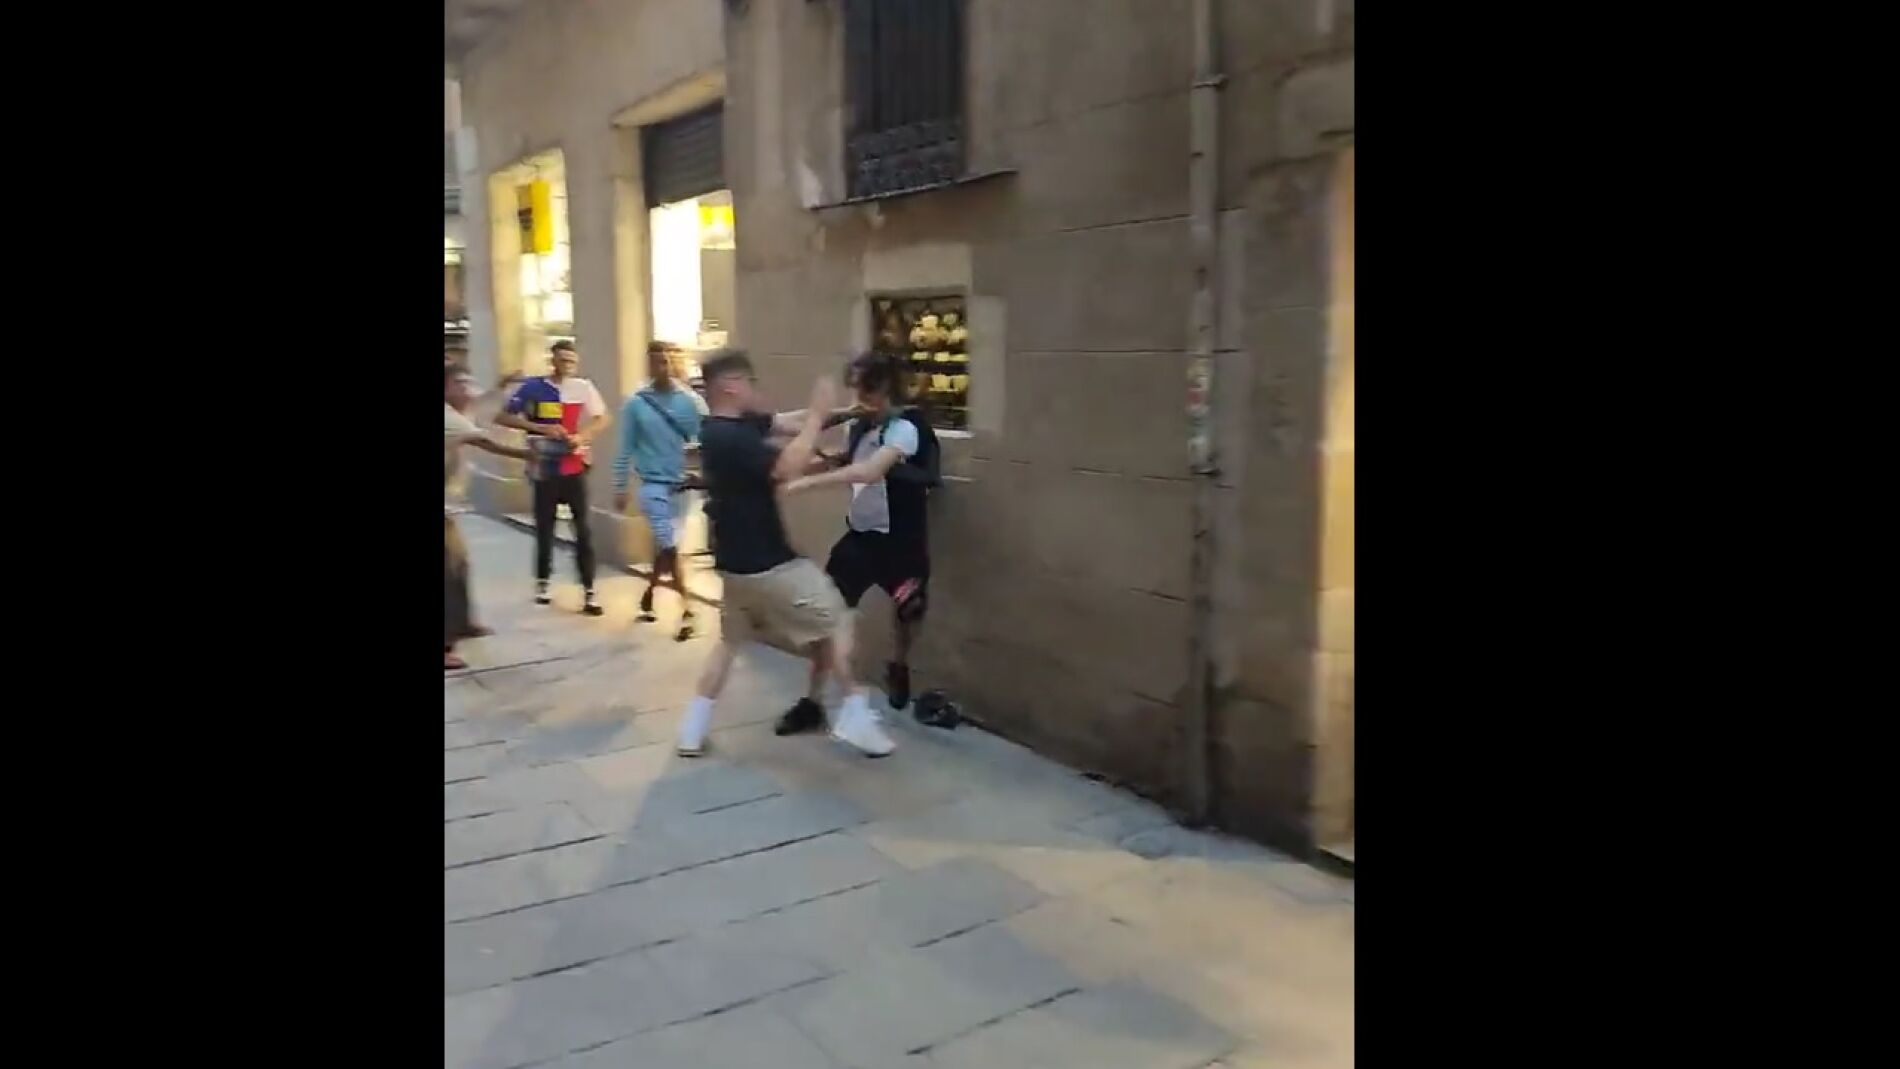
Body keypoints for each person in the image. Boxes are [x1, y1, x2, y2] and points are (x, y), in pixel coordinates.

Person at [679, 349, 895, 758]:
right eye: (749, 381)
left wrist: (844, 414)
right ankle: (855, 715)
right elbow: (785, 467)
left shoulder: (726, 427)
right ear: (730, 386)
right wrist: (817, 417)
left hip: (733, 566)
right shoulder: (729, 437)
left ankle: (692, 730)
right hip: (768, 563)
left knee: (729, 642)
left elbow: (785, 423)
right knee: (838, 620)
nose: (754, 388)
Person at [781, 352, 941, 726]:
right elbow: (843, 457)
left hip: (901, 545)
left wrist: (807, 484)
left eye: (864, 389)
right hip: (860, 541)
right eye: (854, 388)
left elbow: (869, 471)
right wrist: (794, 467)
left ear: (884, 387)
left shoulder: (905, 428)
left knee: (909, 612)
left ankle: (899, 663)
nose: (858, 398)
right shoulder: (860, 424)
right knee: (827, 616)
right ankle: (813, 702)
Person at [497, 340, 610, 616]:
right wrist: (538, 428)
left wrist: (582, 436)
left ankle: (589, 590)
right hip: (544, 466)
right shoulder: (533, 387)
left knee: (583, 530)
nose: (567, 365)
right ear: (553, 361)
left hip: (573, 464)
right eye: (562, 359)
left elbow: (602, 418)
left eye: (571, 360)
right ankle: (543, 582)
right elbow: (503, 417)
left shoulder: (583, 387)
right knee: (545, 528)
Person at [613, 342, 706, 641]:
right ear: (649, 366)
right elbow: (624, 448)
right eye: (657, 362)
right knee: (669, 543)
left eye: (667, 361)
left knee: (668, 545)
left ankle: (650, 592)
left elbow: (708, 437)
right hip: (652, 484)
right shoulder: (636, 404)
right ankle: (688, 610)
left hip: (682, 484)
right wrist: (620, 486)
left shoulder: (691, 401)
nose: (663, 367)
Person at [445, 363, 533, 670]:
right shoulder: (449, 418)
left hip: (448, 507)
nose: (467, 388)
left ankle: (463, 623)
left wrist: (502, 383)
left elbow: (484, 402)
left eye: (467, 382)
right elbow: (487, 443)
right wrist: (528, 454)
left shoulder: (462, 409)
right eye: (459, 383)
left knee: (459, 566)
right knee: (448, 574)